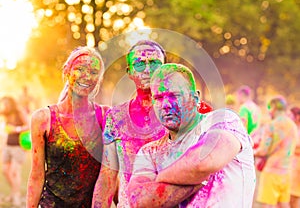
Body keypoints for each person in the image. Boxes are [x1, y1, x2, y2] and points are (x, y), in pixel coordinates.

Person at [127, 63, 256, 207]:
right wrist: (198, 178)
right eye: (158, 98)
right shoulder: (149, 152)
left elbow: (205, 160)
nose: (166, 105)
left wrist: (160, 177)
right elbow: (138, 201)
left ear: (196, 98)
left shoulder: (223, 120)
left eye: (174, 95)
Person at [26, 46, 109, 207]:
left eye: (93, 72)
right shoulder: (43, 119)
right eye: (80, 69)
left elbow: (110, 176)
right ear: (66, 71)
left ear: (99, 78)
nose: (86, 77)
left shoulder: (105, 117)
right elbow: (36, 175)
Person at [92, 40, 169, 207]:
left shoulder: (180, 112)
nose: (148, 70)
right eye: (140, 64)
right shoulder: (116, 118)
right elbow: (107, 177)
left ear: (165, 68)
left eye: (155, 63)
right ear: (130, 72)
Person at [254, 96, 298, 208]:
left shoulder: (272, 126)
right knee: (284, 204)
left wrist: (253, 151)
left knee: (268, 205)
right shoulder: (292, 125)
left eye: (269, 108)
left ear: (273, 108)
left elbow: (263, 150)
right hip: (287, 170)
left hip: (272, 171)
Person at [0, 96, 29, 206]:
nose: (4, 106)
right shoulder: (6, 114)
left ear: (11, 103)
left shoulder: (19, 111)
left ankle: (16, 196)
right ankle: (13, 192)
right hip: (8, 145)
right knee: (5, 171)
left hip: (19, 146)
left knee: (14, 172)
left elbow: (28, 125)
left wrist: (16, 129)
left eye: (6, 104)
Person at [289, 107, 300, 208]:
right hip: (292, 165)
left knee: (294, 197)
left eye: (291, 115)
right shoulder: (294, 128)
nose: (289, 117)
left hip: (297, 167)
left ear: (297, 117)